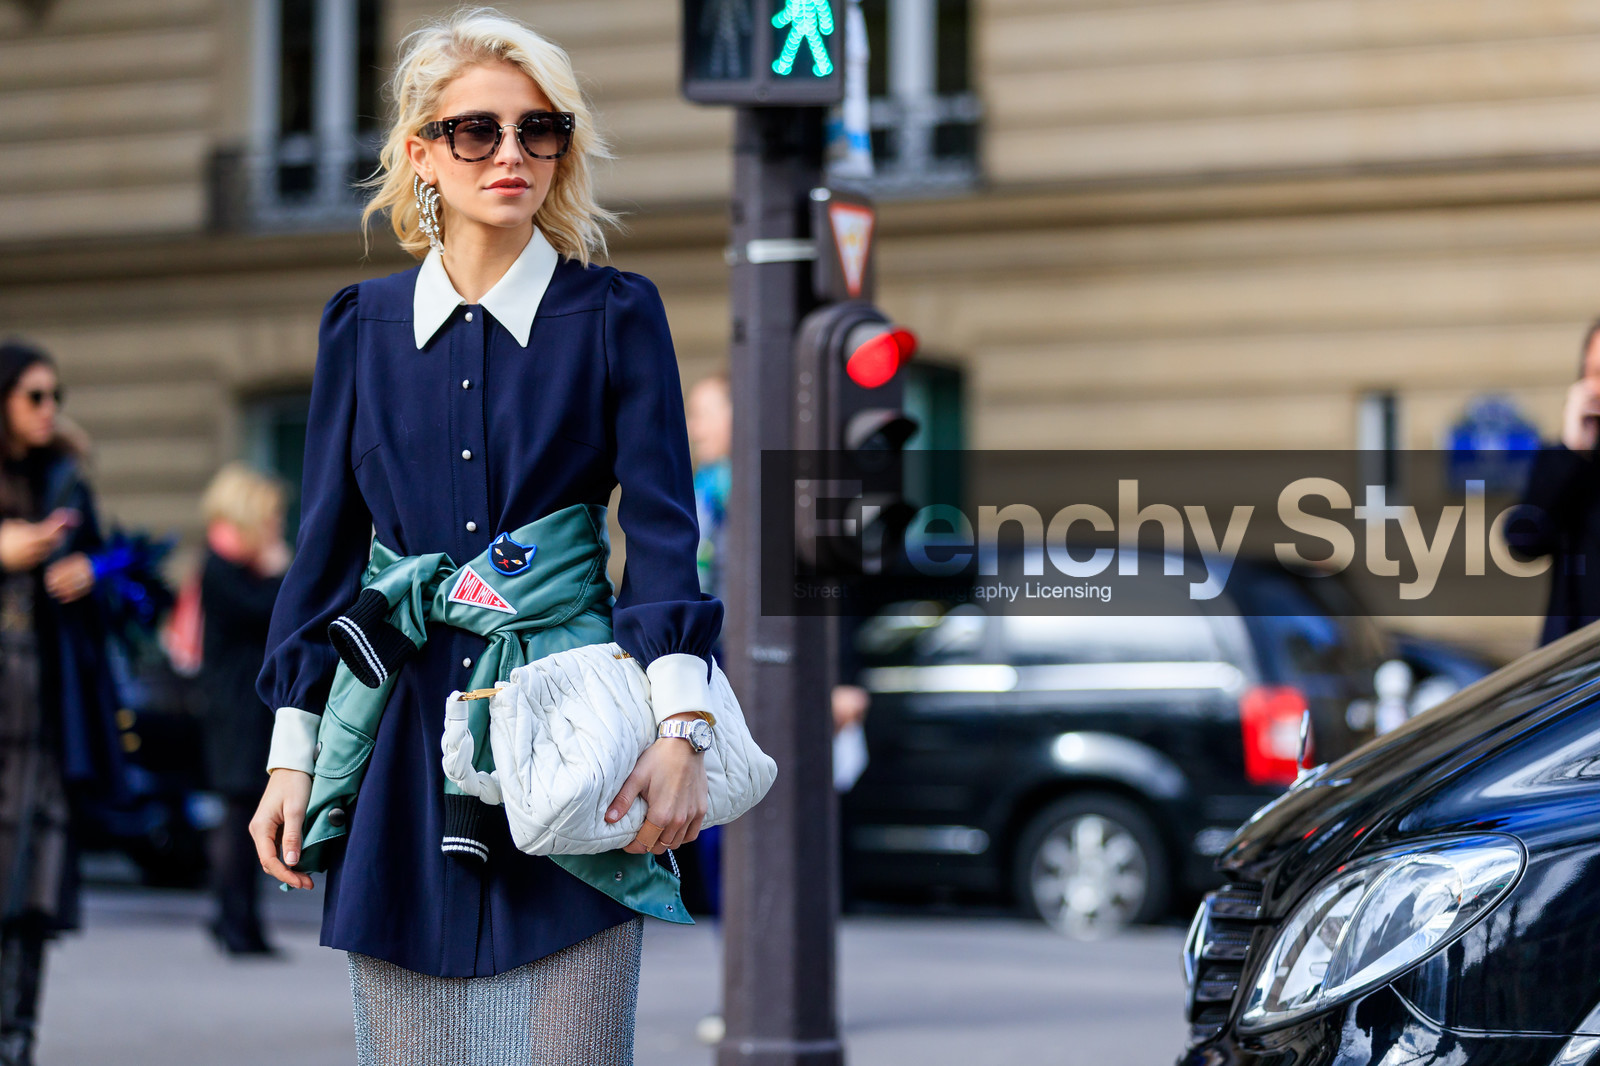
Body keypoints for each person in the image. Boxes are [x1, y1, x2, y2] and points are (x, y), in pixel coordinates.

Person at [247, 10, 722, 1065]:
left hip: (568, 732)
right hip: (401, 741)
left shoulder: (613, 313)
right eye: (475, 130)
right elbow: (323, 556)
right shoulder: (358, 328)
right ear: (421, 152)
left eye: (538, 130)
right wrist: (291, 757)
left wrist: (680, 728)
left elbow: (659, 532)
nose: (511, 153)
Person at [0, 341, 118, 1066]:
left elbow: (119, 570)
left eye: (55, 397)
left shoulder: (65, 481)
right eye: (33, 397)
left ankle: (17, 1038)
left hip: (44, 708)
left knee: (32, 884)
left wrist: (86, 572)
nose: (49, 411)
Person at [197, 464, 289, 955]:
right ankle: (233, 922)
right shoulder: (223, 565)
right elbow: (265, 615)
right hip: (236, 709)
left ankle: (242, 922)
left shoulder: (233, 565)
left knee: (247, 813)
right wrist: (278, 573)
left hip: (244, 706)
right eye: (271, 518)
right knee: (240, 816)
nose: (276, 529)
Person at [1513, 320, 1600, 643]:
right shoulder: (1569, 461)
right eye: (1595, 373)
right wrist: (1571, 447)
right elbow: (1523, 540)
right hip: (1578, 671)